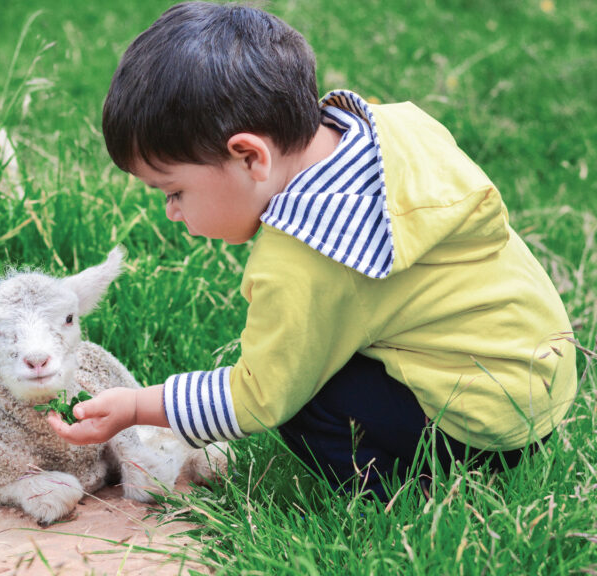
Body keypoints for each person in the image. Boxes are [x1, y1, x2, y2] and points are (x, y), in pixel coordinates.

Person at [47, 1, 578, 498]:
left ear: (251, 157)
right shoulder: (392, 129)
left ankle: (401, 495)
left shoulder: (306, 258)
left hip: (482, 433)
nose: (172, 212)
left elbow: (259, 395)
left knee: (306, 399)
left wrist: (140, 405)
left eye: (175, 191)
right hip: (538, 379)